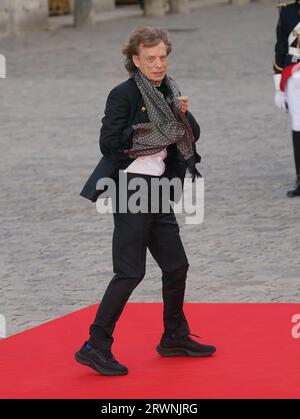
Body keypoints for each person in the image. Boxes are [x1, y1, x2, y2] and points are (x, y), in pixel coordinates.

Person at [75, 27, 216, 376]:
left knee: (176, 265)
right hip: (130, 188)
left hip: (159, 188)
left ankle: (173, 336)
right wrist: (149, 130)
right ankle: (95, 345)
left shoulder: (169, 89)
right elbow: (109, 143)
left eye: (162, 57)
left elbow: (190, 135)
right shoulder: (122, 94)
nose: (158, 64)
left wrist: (182, 113)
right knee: (129, 271)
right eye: (150, 58)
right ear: (135, 60)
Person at [274, 0, 300, 197]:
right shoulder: (288, 11)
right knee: (298, 126)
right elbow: (281, 48)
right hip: (294, 75)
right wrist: (278, 88)